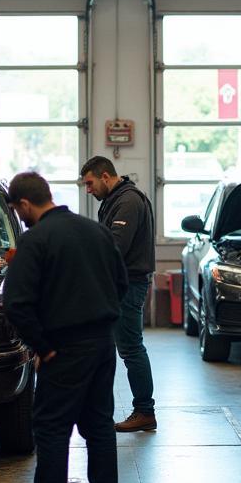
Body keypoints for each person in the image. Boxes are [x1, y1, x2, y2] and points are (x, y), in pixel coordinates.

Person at [0, 172, 128, 483]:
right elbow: (120, 284)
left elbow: (17, 304)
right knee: (99, 425)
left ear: (24, 205)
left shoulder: (35, 240)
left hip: (63, 350)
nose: (20, 215)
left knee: (52, 428)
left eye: (17, 209)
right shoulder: (96, 231)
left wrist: (43, 346)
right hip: (103, 344)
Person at [80, 156, 157, 433]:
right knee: (122, 347)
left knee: (131, 348)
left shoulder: (127, 201)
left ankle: (145, 411)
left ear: (105, 176)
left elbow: (114, 247)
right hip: (118, 284)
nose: (88, 190)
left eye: (90, 183)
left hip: (128, 285)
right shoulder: (115, 200)